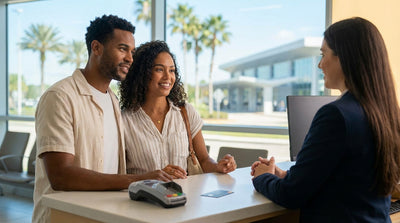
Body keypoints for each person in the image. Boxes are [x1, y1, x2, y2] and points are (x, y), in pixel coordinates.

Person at [251, 17, 400, 222]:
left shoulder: (336, 115)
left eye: (324, 54)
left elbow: (291, 195)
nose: (320, 64)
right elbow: (348, 183)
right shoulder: (386, 113)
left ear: (345, 57)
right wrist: (285, 175)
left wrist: (262, 177)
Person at [33, 15, 172, 223]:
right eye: (122, 49)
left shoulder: (113, 101)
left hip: (102, 215)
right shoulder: (60, 97)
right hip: (65, 216)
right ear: (96, 48)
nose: (130, 58)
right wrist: (137, 179)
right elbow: (61, 175)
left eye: (132, 52)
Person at [119, 40, 236, 178]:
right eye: (159, 69)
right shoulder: (124, 120)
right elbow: (119, 173)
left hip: (184, 197)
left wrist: (218, 166)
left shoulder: (186, 112)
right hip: (143, 198)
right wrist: (152, 177)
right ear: (142, 73)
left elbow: (204, 160)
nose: (168, 77)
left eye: (172, 70)